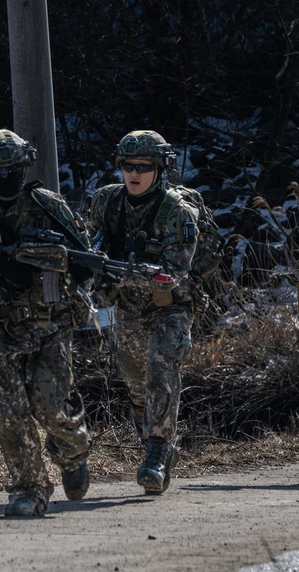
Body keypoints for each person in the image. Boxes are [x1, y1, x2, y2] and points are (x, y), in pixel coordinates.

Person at [0, 128, 92, 518]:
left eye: (13, 169)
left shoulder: (47, 205)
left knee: (49, 407)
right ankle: (29, 488)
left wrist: (58, 264)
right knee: (9, 411)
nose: (5, 177)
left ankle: (73, 448)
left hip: (51, 324)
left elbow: (85, 261)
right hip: (1, 327)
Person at [86, 130, 199, 495]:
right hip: (129, 308)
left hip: (170, 309)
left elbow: (172, 275)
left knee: (160, 375)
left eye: (144, 167)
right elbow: (91, 244)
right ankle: (161, 448)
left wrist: (117, 270)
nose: (134, 174)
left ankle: (156, 454)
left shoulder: (176, 210)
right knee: (136, 388)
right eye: (128, 166)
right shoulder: (107, 201)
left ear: (160, 168)